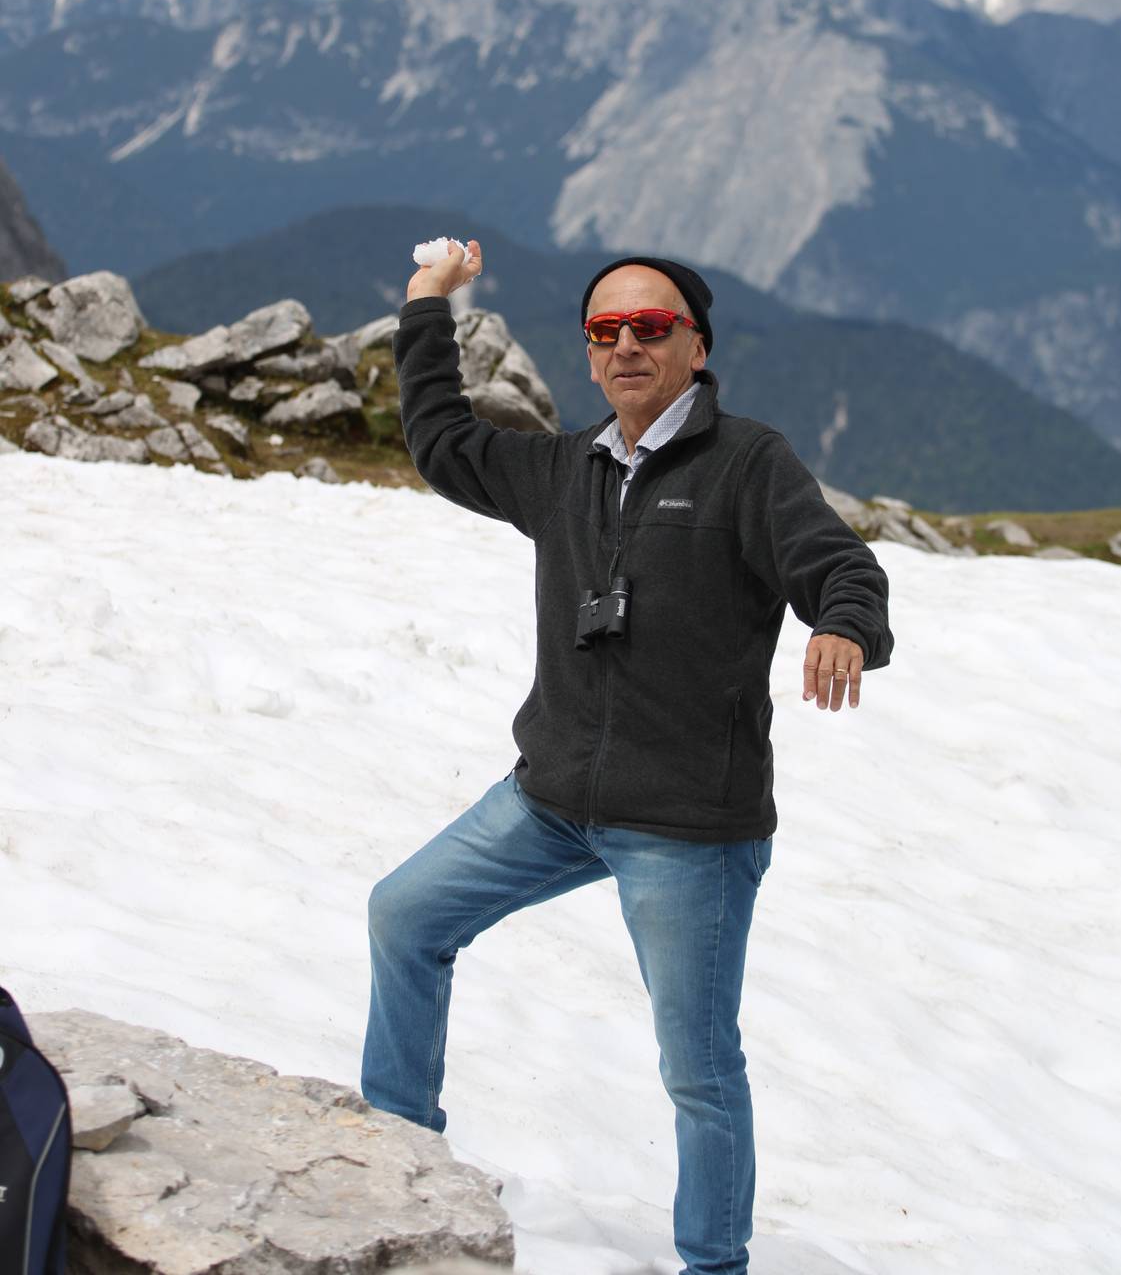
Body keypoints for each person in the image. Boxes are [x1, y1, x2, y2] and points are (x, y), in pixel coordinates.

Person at [363, 239, 893, 1275]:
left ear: (696, 345)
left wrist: (843, 625)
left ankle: (712, 1264)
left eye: (652, 328)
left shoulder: (749, 464)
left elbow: (840, 563)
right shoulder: (564, 468)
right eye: (606, 333)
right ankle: (398, 1156)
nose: (627, 347)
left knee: (698, 1070)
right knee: (404, 916)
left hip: (688, 828)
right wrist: (427, 300)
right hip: (549, 798)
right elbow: (440, 440)